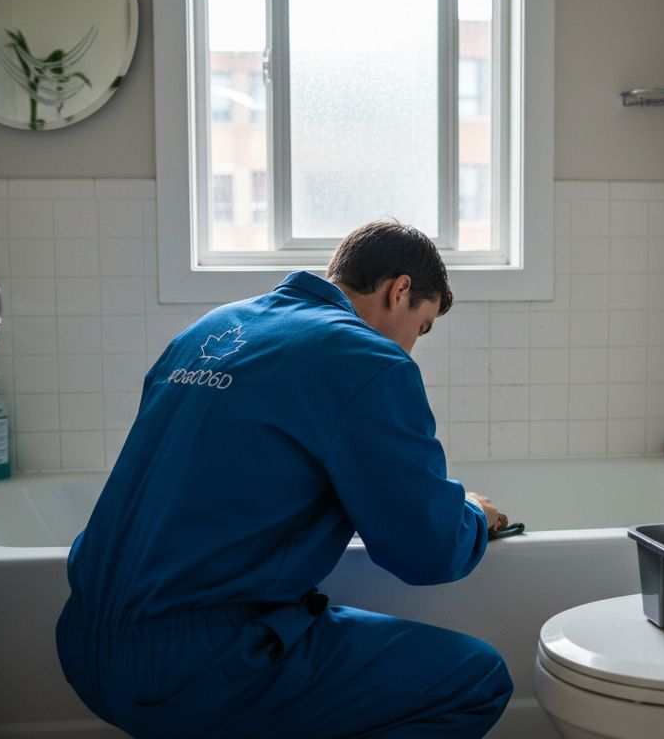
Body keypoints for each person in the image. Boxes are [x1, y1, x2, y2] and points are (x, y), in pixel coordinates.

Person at [55, 220, 514, 738]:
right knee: (477, 680)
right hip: (196, 664)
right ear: (399, 290)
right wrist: (473, 514)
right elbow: (425, 550)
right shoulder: (370, 360)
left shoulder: (211, 329)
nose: (412, 347)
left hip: (83, 639)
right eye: (422, 326)